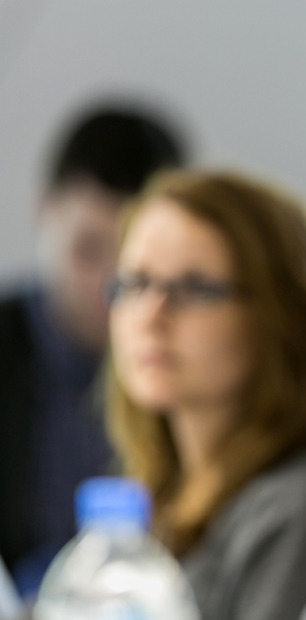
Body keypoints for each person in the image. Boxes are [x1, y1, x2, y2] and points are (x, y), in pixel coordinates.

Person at [106, 170, 306, 620]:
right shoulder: (157, 493)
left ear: (278, 316)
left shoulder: (302, 502)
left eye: (195, 288)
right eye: (135, 283)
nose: (150, 315)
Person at [0, 104, 186, 599]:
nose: (110, 285)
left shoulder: (202, 368)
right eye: (87, 250)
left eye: (136, 261)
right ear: (45, 211)